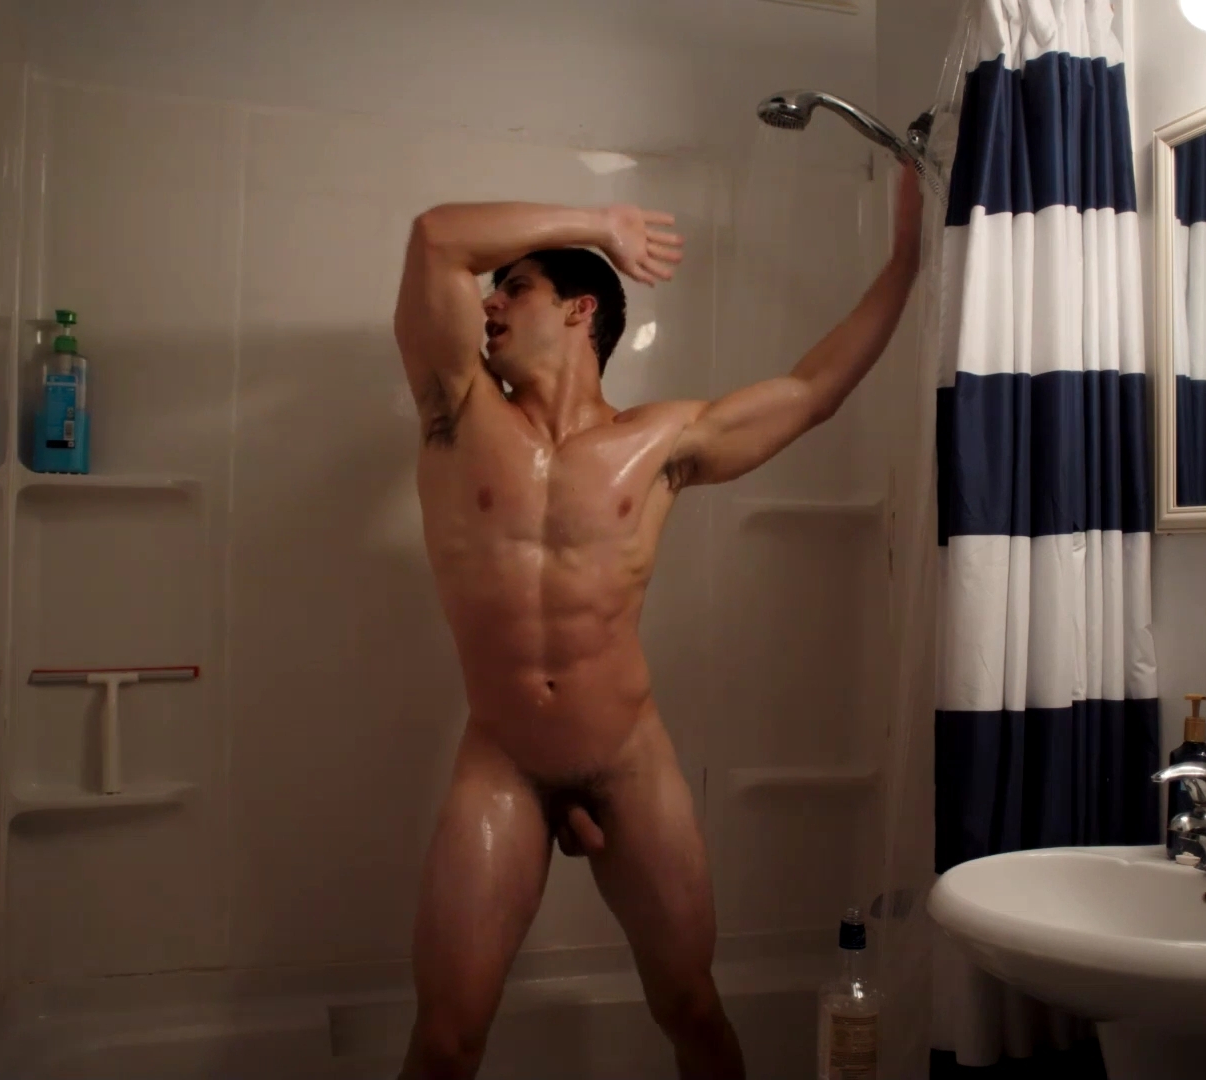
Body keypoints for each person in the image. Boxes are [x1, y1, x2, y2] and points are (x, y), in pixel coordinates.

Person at [391, 167, 923, 1080]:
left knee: (691, 1007)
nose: (487, 302)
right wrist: (598, 221)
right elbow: (435, 237)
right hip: (504, 758)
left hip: (626, 758)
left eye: (516, 287)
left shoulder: (663, 441)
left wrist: (906, 261)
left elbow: (812, 390)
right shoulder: (456, 406)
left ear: (580, 310)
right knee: (445, 1039)